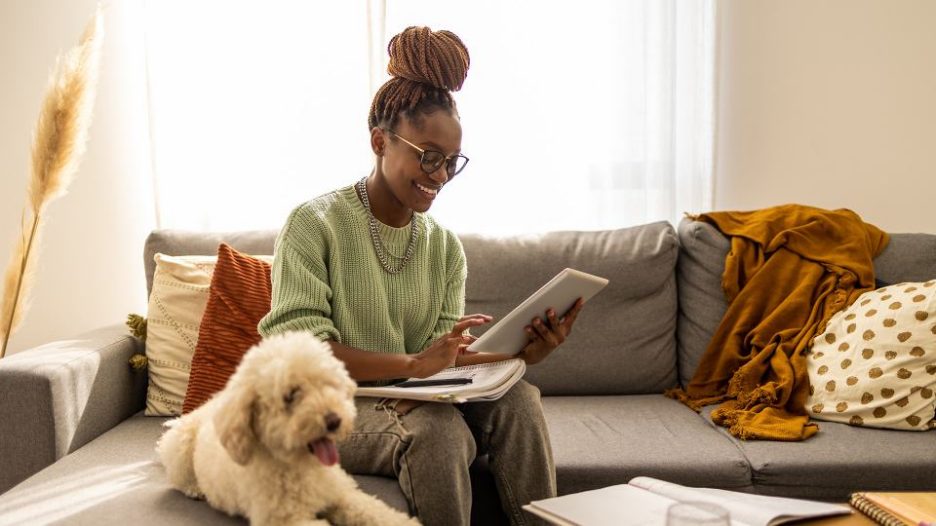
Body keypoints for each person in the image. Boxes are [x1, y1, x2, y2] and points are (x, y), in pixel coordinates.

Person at [258, 26, 584, 526]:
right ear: (380, 141)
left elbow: (443, 357)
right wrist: (412, 364)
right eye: (428, 156)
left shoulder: (444, 247)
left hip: (408, 396)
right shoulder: (314, 223)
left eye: (452, 163)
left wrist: (523, 352)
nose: (439, 175)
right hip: (326, 407)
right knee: (440, 431)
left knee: (519, 399)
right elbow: (300, 359)